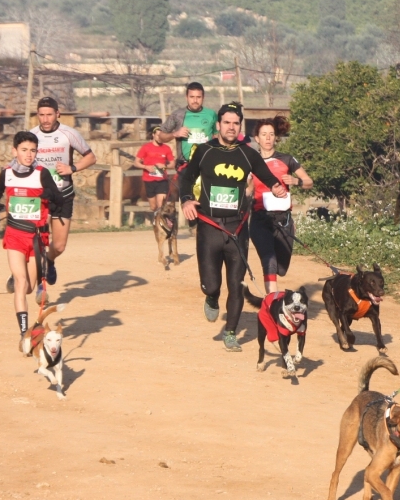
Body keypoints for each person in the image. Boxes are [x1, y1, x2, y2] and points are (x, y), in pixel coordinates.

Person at [178, 103, 288, 352]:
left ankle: (231, 333)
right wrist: (186, 199)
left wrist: (276, 187)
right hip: (209, 227)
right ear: (218, 125)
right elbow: (186, 178)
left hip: (238, 229)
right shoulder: (205, 151)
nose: (231, 127)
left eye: (235, 123)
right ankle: (211, 296)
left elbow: (266, 175)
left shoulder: (247, 154)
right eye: (226, 122)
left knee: (236, 283)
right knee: (211, 284)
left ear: (240, 126)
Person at [0, 131, 64, 349]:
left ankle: (17, 277)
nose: (29, 155)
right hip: (14, 234)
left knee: (30, 287)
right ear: (15, 151)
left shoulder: (42, 174)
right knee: (21, 283)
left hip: (37, 238)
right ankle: (24, 334)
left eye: (32, 150)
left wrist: (48, 196)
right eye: (24, 150)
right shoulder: (7, 173)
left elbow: (58, 198)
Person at [29, 96, 96, 287]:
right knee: (36, 242)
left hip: (63, 195)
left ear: (57, 114)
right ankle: (34, 280)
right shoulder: (31, 135)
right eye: (42, 115)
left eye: (49, 114)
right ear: (37, 116)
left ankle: (49, 261)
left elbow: (91, 157)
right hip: (39, 197)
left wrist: (71, 169)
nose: (46, 119)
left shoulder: (69, 134)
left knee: (58, 246)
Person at [249, 115, 313, 293]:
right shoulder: (251, 161)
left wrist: (295, 181)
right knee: (269, 260)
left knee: (281, 268)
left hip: (283, 220)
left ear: (276, 137)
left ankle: (274, 292)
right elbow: (245, 188)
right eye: (264, 134)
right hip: (260, 219)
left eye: (271, 134)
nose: (268, 138)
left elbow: (309, 181)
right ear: (257, 138)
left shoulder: (287, 159)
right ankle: (273, 302)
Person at [157, 81, 218, 165]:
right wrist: (175, 134)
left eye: (198, 97)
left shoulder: (212, 114)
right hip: (184, 164)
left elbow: (217, 136)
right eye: (192, 97)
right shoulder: (177, 114)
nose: (195, 100)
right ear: (186, 97)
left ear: (203, 97)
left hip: (206, 163)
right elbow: (161, 137)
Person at [132, 126, 175, 214]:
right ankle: (156, 219)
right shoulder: (146, 147)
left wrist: (164, 166)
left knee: (161, 205)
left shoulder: (166, 148)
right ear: (153, 135)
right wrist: (146, 167)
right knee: (153, 206)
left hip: (162, 180)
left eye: (162, 135)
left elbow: (172, 164)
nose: (159, 137)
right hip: (149, 180)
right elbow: (136, 162)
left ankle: (160, 225)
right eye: (158, 135)